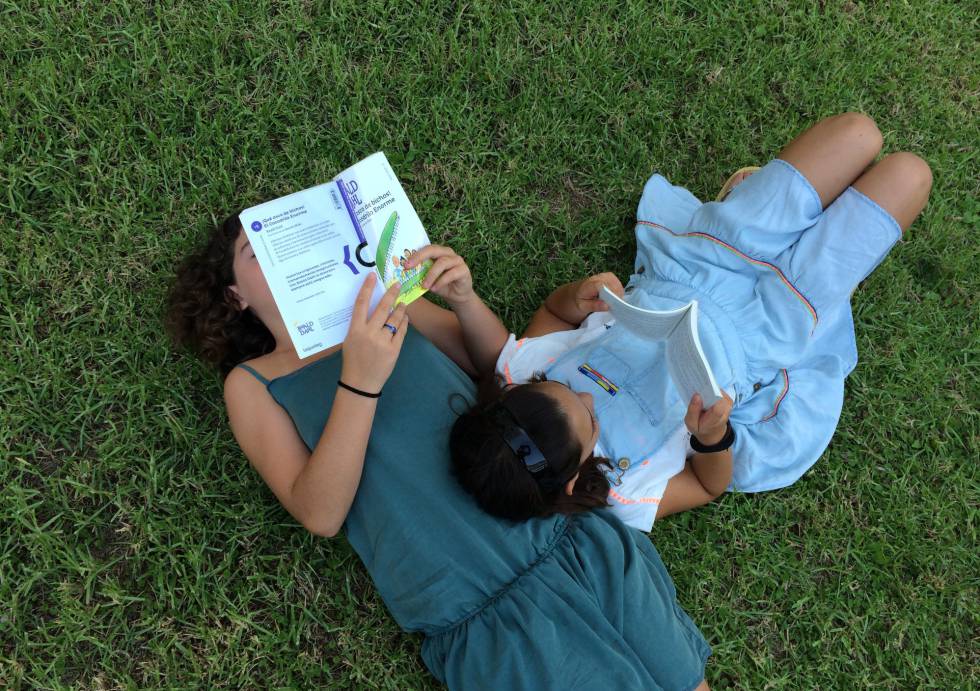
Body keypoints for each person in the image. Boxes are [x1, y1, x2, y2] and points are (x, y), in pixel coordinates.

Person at [166, 218, 713, 686]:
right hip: (480, 606)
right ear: (234, 296)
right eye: (257, 250)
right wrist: (358, 383)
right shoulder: (255, 382)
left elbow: (492, 366)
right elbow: (319, 512)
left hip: (567, 539)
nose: (282, 253)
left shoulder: (384, 302)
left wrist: (462, 298)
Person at [445, 113, 932, 532]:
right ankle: (812, 249)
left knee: (859, 132)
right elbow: (706, 483)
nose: (587, 394)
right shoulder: (626, 495)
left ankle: (786, 222)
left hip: (701, 263)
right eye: (589, 417)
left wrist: (575, 298)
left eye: (567, 388)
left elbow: (553, 313)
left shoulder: (527, 376)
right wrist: (710, 437)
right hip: (764, 330)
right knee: (910, 175)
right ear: (572, 479)